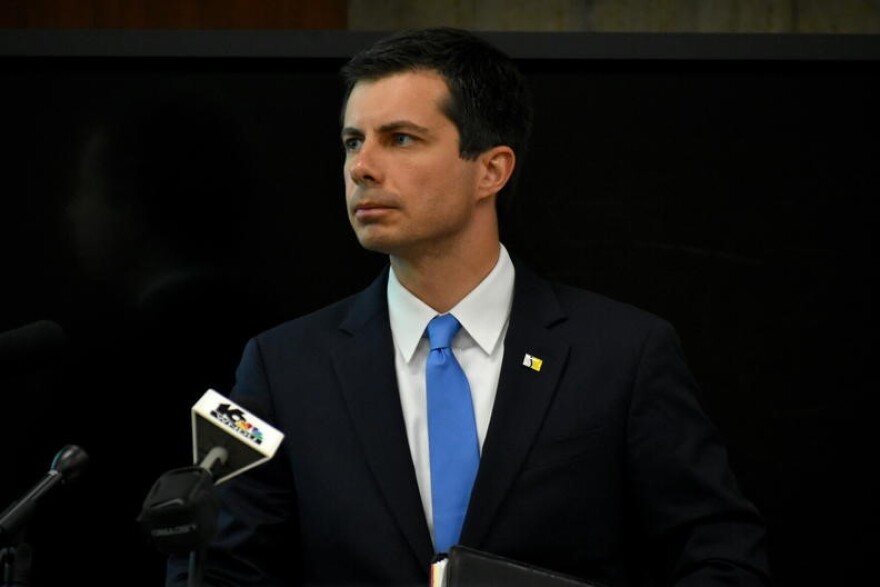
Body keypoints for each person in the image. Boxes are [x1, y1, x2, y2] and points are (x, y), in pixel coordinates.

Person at [167, 27, 771, 586]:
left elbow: (723, 557)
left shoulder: (622, 355)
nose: (362, 167)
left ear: (491, 170)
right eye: (353, 142)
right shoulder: (283, 368)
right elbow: (226, 571)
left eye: (400, 139)